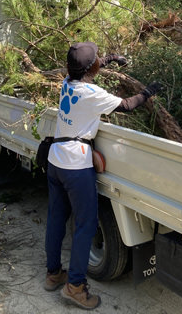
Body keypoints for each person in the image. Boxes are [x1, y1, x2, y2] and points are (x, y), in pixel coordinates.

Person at [44, 41, 162, 310]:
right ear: (91, 67)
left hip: (56, 160)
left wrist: (111, 58)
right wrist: (150, 90)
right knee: (86, 224)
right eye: (97, 59)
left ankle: (53, 274)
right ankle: (75, 286)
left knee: (56, 218)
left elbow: (87, 67)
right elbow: (128, 105)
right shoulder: (93, 93)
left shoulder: (66, 82)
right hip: (76, 164)